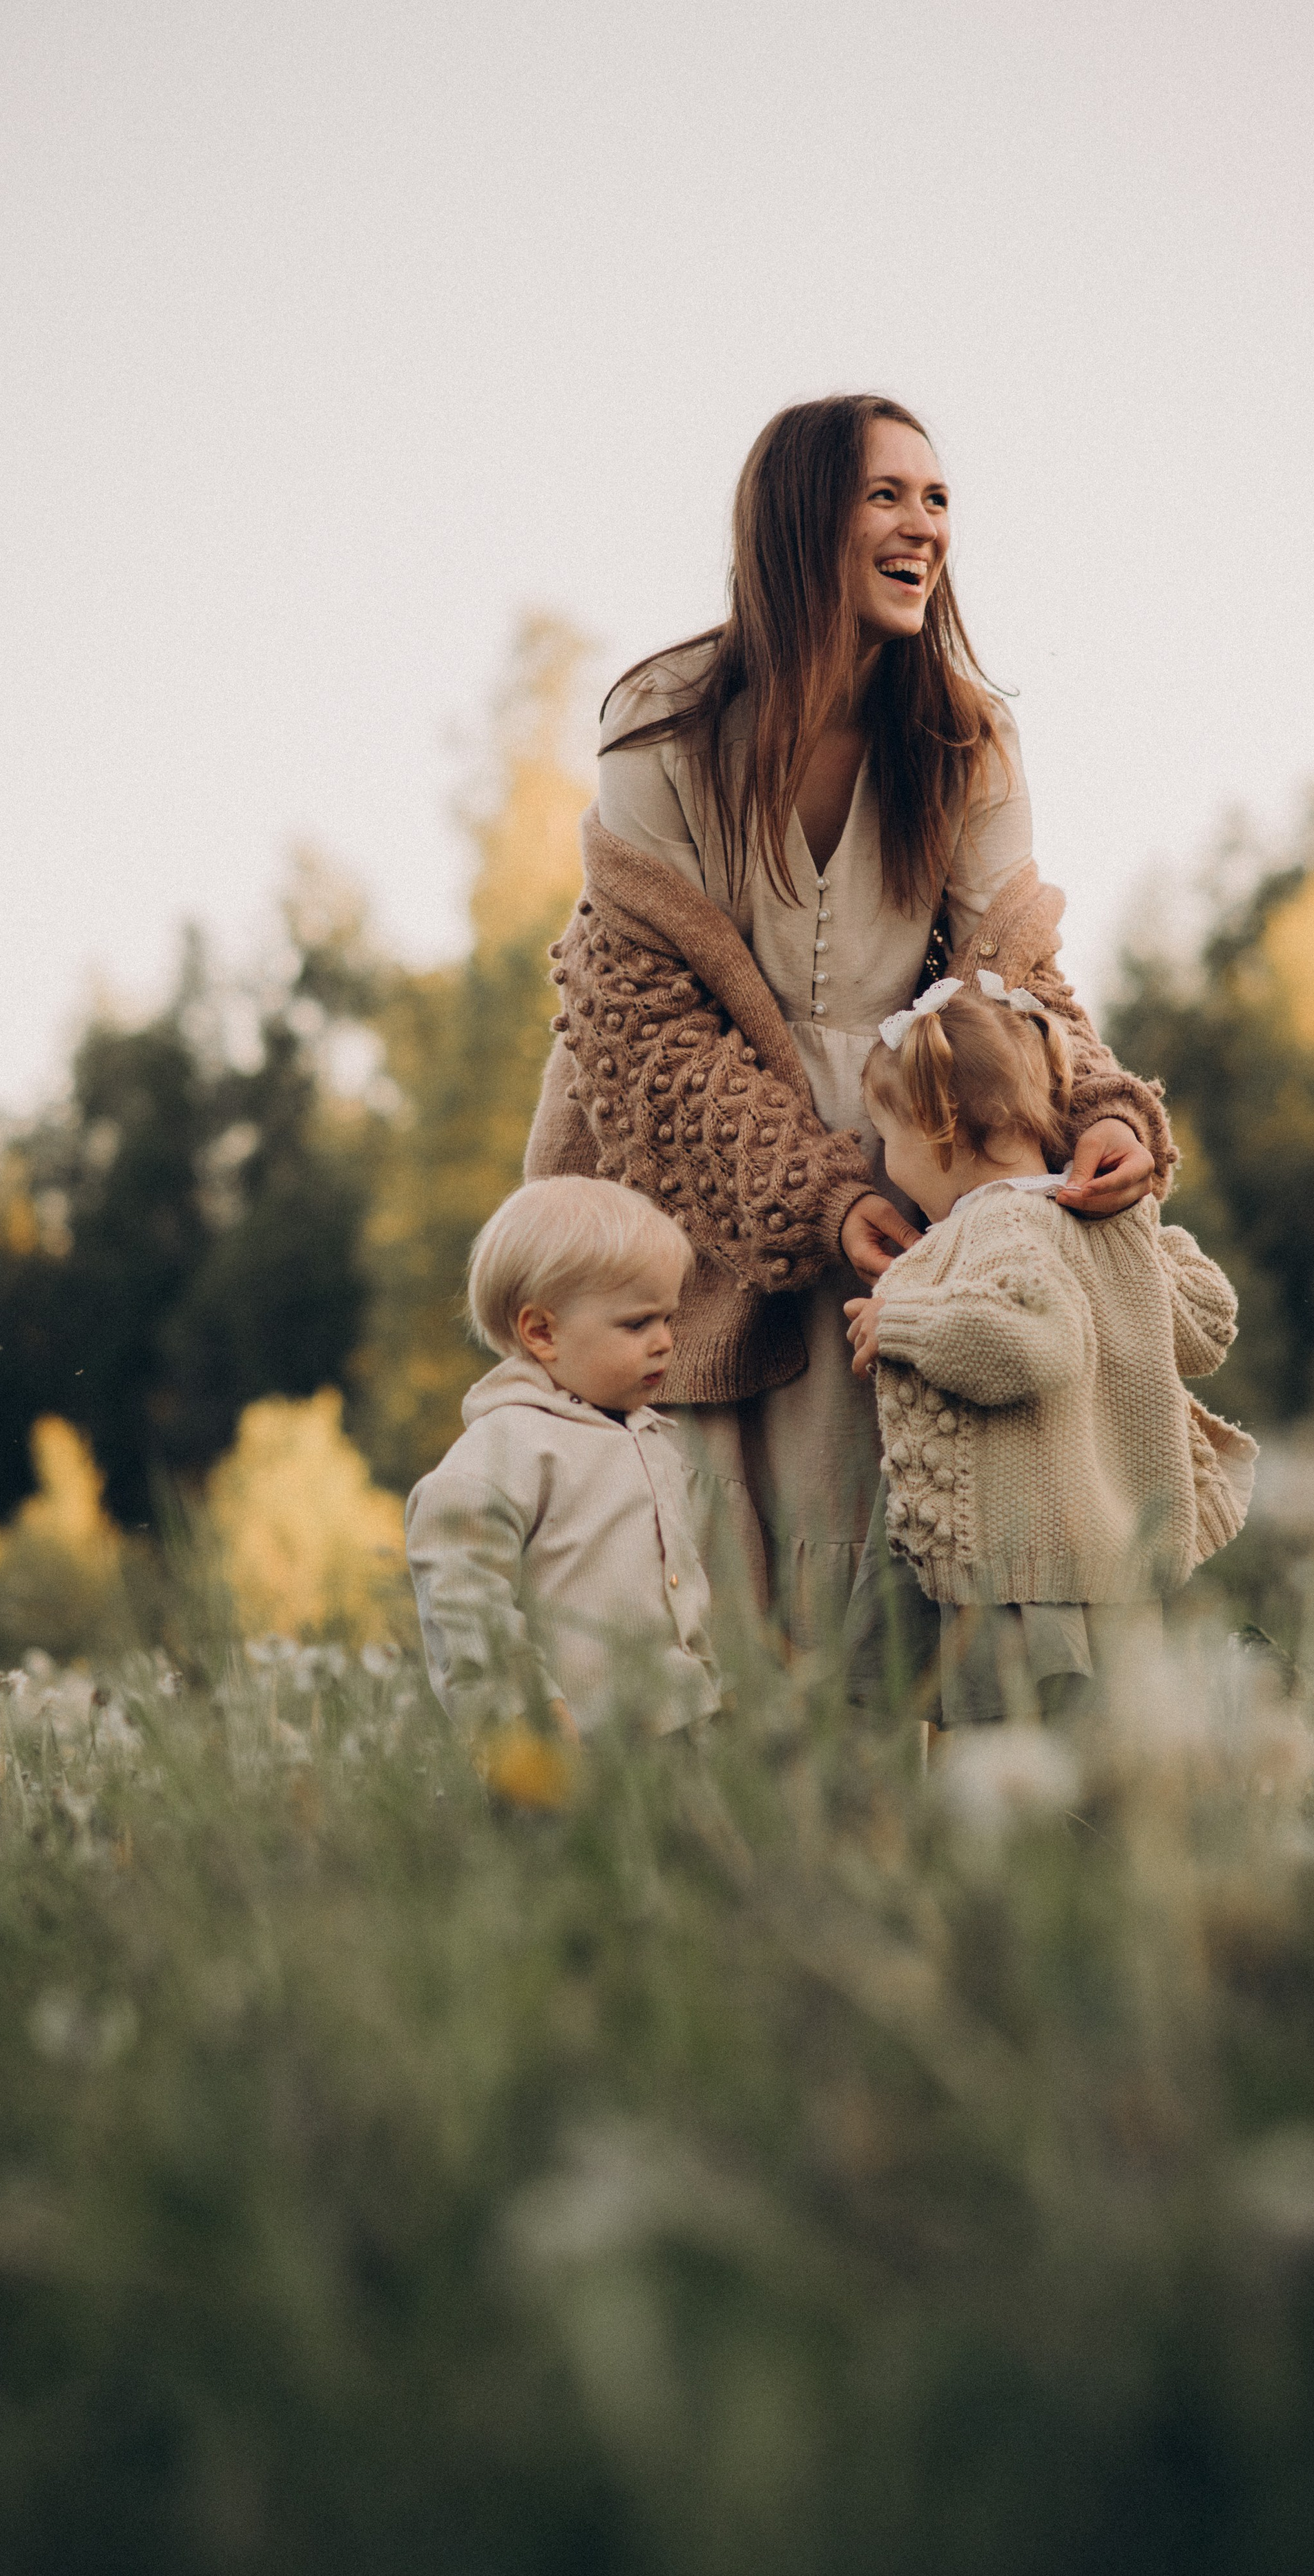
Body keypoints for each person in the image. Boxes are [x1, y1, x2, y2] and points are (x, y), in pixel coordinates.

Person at [526, 392, 1176, 1642]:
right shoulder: (661, 721)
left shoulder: (968, 737)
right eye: (887, 495)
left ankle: (905, 1816)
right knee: (706, 1558)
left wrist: (1093, 1105)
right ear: (797, 520)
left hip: (910, 1153)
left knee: (882, 1551)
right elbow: (640, 1019)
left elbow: (1017, 980)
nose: (923, 525)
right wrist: (812, 1193)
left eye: (937, 499)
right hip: (695, 1150)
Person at [841, 972, 1257, 1725]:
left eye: (887, 1140)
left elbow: (1034, 1344)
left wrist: (897, 1317)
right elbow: (1207, 1327)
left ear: (937, 1132)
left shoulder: (996, 1226)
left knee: (1012, 1754)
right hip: (1097, 1565)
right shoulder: (1090, 1221)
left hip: (1016, 1581)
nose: (887, 1165)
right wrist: (1144, 1237)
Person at [405, 1176, 722, 1743]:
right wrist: (522, 1712)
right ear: (542, 1332)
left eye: (668, 1319)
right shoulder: (505, 1452)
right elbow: (463, 1596)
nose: (665, 1341)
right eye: (637, 1323)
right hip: (570, 1749)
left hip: (678, 1735)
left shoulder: (647, 1436)